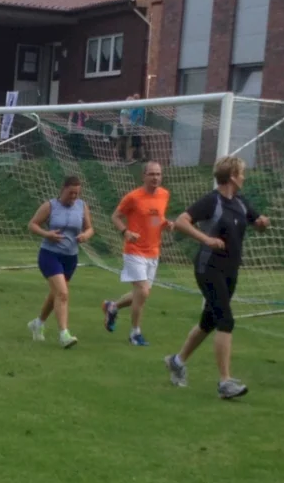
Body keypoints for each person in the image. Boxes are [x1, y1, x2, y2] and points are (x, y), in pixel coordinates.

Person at [164, 156, 271, 399]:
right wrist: (206, 239)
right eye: (241, 173)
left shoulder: (241, 202)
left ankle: (177, 362)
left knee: (209, 321)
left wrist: (263, 223)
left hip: (230, 270)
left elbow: (257, 224)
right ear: (232, 176)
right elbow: (181, 222)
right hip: (209, 268)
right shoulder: (212, 201)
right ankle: (225, 382)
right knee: (226, 320)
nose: (244, 177)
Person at [102, 161, 171, 346]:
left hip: (153, 251)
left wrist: (165, 224)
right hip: (134, 251)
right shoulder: (133, 197)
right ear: (143, 176)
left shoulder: (164, 194)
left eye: (158, 174)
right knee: (142, 291)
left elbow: (155, 218)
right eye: (151, 174)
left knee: (142, 293)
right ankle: (135, 334)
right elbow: (115, 216)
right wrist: (126, 232)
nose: (155, 177)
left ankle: (113, 307)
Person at [26, 176, 94, 349]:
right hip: (49, 255)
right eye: (71, 193)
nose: (74, 197)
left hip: (70, 258)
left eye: (77, 194)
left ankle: (38, 323)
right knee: (62, 293)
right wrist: (47, 234)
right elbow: (32, 225)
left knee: (56, 293)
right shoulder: (50, 206)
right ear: (62, 189)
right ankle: (64, 334)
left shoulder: (82, 206)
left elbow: (89, 228)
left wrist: (85, 235)